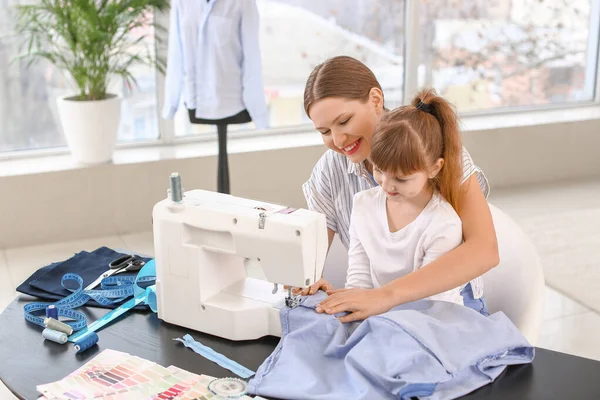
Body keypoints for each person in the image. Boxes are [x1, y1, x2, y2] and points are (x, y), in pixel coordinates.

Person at [301, 56, 498, 322]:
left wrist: (384, 297)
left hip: (445, 310)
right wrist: (306, 279)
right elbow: (310, 257)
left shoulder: (434, 149)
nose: (337, 140)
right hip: (379, 311)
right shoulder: (331, 169)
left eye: (344, 121)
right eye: (324, 131)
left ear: (375, 99)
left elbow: (484, 250)